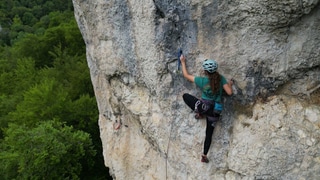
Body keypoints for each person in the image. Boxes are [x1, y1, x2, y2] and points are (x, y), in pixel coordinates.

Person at [180, 55, 233, 163]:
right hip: (215, 112)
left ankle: (200, 113)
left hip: (204, 108)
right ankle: (204, 155)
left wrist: (183, 62)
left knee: (186, 96)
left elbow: (186, 75)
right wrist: (229, 84)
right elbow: (229, 92)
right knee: (209, 134)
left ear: (205, 71)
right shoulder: (221, 79)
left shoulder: (202, 81)